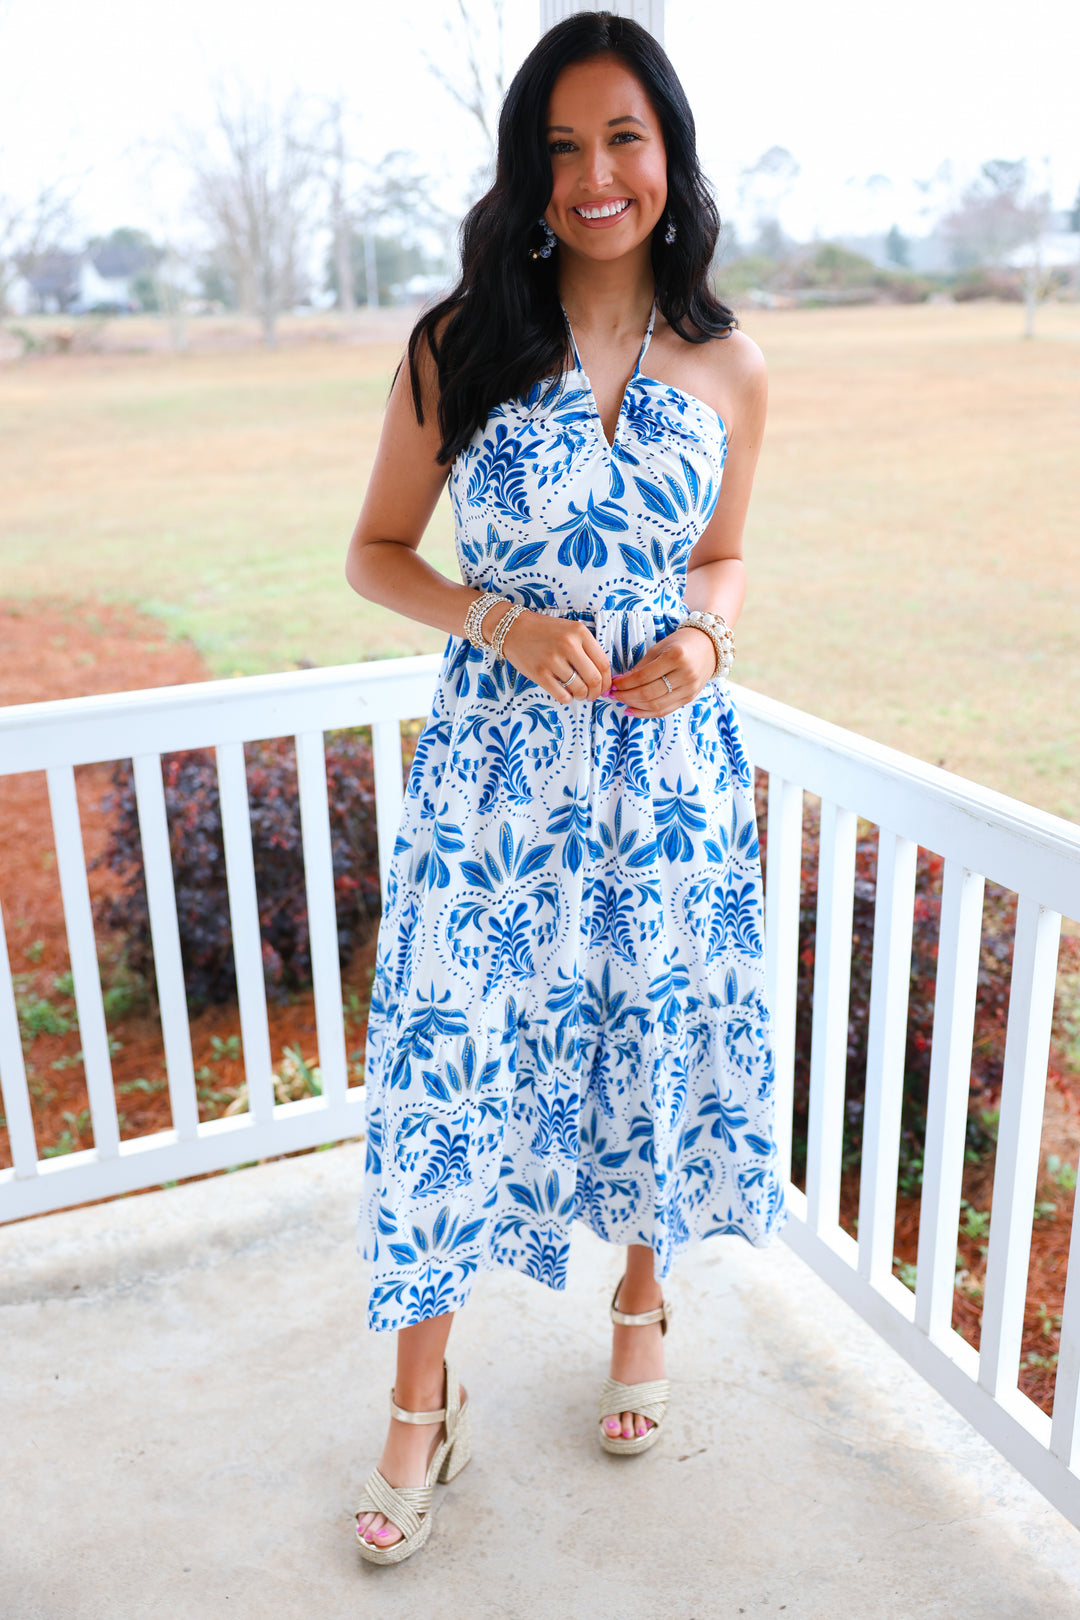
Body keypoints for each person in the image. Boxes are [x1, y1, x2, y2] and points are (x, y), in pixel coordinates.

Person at [345, 10, 787, 1565]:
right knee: (449, 1076)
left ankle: (644, 1300)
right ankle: (420, 1406)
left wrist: (706, 639)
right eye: (560, 147)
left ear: (667, 155)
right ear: (527, 173)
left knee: (654, 1023)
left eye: (623, 140)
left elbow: (722, 552)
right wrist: (501, 619)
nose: (596, 176)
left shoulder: (731, 363)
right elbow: (375, 552)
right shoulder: (460, 343)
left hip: (664, 774)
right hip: (494, 786)